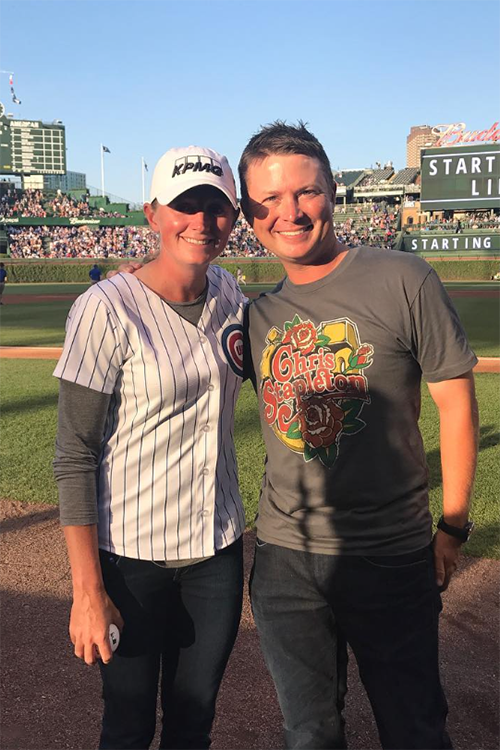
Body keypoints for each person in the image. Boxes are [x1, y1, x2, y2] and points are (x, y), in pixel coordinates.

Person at [238, 122, 478, 750]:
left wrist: (453, 527)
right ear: (248, 213)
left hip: (389, 553)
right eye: (267, 200)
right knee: (309, 732)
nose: (287, 212)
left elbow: (456, 407)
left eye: (304, 192)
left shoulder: (404, 278)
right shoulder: (255, 313)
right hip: (284, 560)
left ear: (333, 193)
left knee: (415, 727)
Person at [53, 146, 247, 750]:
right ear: (152, 213)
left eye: (216, 206)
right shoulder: (104, 309)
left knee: (195, 720)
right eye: (185, 205)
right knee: (129, 723)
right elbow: (75, 453)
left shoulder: (231, 294)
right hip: (129, 559)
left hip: (216, 550)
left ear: (234, 216)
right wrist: (88, 593)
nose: (202, 220)